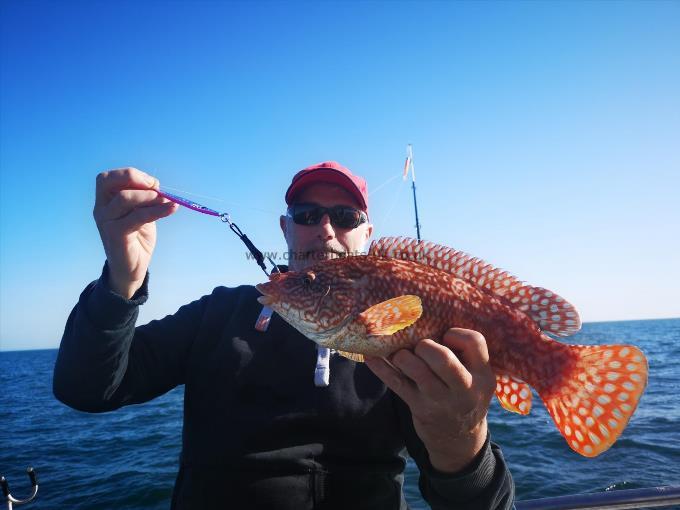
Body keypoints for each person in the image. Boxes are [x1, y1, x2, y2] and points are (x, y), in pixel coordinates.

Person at [53, 161, 514, 509]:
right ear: (286, 227)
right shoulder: (219, 313)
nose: (326, 230)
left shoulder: (405, 338)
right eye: (307, 214)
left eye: (346, 217)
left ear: (367, 233)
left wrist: (462, 436)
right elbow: (87, 389)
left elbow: (478, 504)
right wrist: (121, 279)